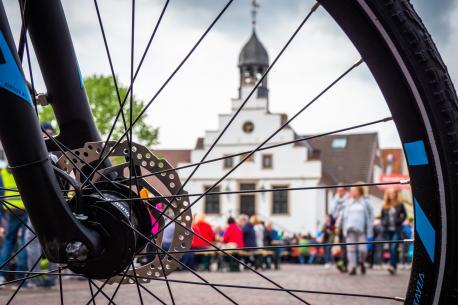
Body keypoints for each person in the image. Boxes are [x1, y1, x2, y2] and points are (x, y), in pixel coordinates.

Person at [0, 163, 28, 284]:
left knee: (8, 241)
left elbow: (1, 194)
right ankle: (20, 277)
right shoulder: (23, 169)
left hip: (10, 210)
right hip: (25, 209)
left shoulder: (3, 173)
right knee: (23, 241)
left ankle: (1, 275)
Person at [336, 185, 373, 275]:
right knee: (351, 250)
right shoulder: (348, 202)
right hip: (349, 229)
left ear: (359, 191)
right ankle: (352, 267)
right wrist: (338, 225)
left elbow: (370, 215)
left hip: (361, 230)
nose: (351, 192)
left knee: (363, 250)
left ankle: (362, 262)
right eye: (351, 190)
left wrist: (370, 227)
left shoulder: (365, 202)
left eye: (353, 190)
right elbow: (342, 215)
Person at [381, 188, 407, 275]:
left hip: (397, 229)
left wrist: (399, 220)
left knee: (393, 247)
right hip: (387, 230)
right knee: (390, 248)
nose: (391, 195)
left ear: (395, 194)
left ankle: (392, 266)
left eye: (392, 193)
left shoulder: (400, 204)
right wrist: (383, 223)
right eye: (389, 193)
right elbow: (382, 216)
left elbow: (404, 215)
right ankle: (393, 266)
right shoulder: (385, 205)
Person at [331, 186, 349, 272]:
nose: (339, 192)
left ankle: (344, 263)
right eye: (338, 190)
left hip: (346, 225)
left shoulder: (349, 198)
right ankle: (341, 263)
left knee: (345, 246)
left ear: (344, 190)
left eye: (341, 190)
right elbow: (332, 212)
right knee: (339, 246)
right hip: (338, 225)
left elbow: (343, 213)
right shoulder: (335, 200)